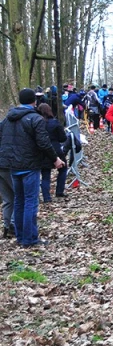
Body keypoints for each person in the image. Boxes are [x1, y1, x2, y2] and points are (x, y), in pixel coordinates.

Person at [0, 88, 64, 246]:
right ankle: (30, 238)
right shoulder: (36, 119)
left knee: (19, 201)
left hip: (13, 165)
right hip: (30, 165)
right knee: (30, 202)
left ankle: (21, 236)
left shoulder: (8, 119)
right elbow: (44, 143)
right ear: (34, 101)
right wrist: (55, 159)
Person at [37, 104, 68, 202]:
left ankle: (46, 197)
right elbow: (63, 138)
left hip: (42, 150)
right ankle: (59, 191)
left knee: (45, 174)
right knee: (63, 169)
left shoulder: (37, 123)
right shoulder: (55, 123)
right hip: (56, 148)